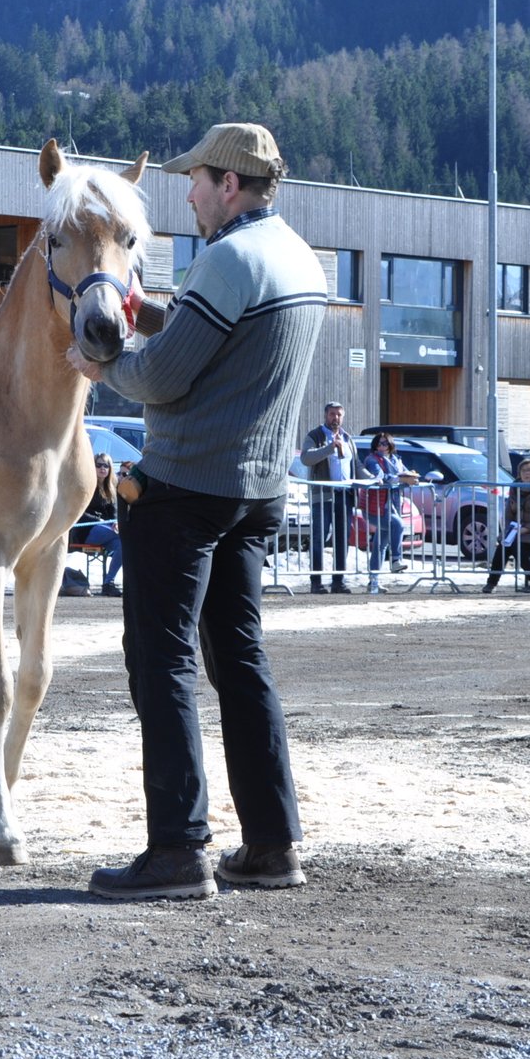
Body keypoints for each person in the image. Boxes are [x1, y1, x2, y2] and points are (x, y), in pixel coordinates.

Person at [65, 121, 324, 901]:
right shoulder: (296, 256)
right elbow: (206, 337)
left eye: (197, 181)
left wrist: (100, 359)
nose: (188, 195)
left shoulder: (227, 260)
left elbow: (162, 378)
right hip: (255, 492)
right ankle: (272, 843)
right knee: (240, 663)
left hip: (184, 492)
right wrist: (142, 310)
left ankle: (178, 849)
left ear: (230, 185)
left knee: (162, 663)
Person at [299, 401, 357, 594]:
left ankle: (338, 582)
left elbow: (356, 464)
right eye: (332, 414)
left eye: (339, 415)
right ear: (325, 415)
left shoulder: (348, 438)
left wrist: (375, 478)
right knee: (319, 538)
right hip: (323, 496)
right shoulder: (315, 436)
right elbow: (306, 458)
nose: (335, 418)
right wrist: (330, 448)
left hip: (344, 495)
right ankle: (316, 582)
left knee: (342, 539)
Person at [484, 456, 530, 593]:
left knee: (518, 547)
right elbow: (508, 515)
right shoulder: (514, 489)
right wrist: (510, 530)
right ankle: (491, 583)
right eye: (524, 470)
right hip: (516, 532)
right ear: (519, 473)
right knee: (503, 547)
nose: (527, 473)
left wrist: (527, 528)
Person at [357, 432, 412, 594]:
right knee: (398, 525)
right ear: (375, 445)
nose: (382, 446)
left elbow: (406, 474)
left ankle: (373, 583)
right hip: (374, 507)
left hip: (391, 506)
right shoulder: (372, 459)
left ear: (391, 445)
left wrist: (410, 477)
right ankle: (396, 560)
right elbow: (380, 476)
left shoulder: (396, 459)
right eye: (379, 443)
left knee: (380, 546)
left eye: (385, 443)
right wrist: (400, 479)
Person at [73, 454, 123, 597]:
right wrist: (99, 520)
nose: (102, 468)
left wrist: (115, 523)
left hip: (106, 531)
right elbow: (79, 513)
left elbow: (114, 514)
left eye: (106, 465)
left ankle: (108, 583)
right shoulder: (85, 486)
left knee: (123, 544)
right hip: (87, 531)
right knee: (126, 535)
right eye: (99, 465)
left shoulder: (111, 488)